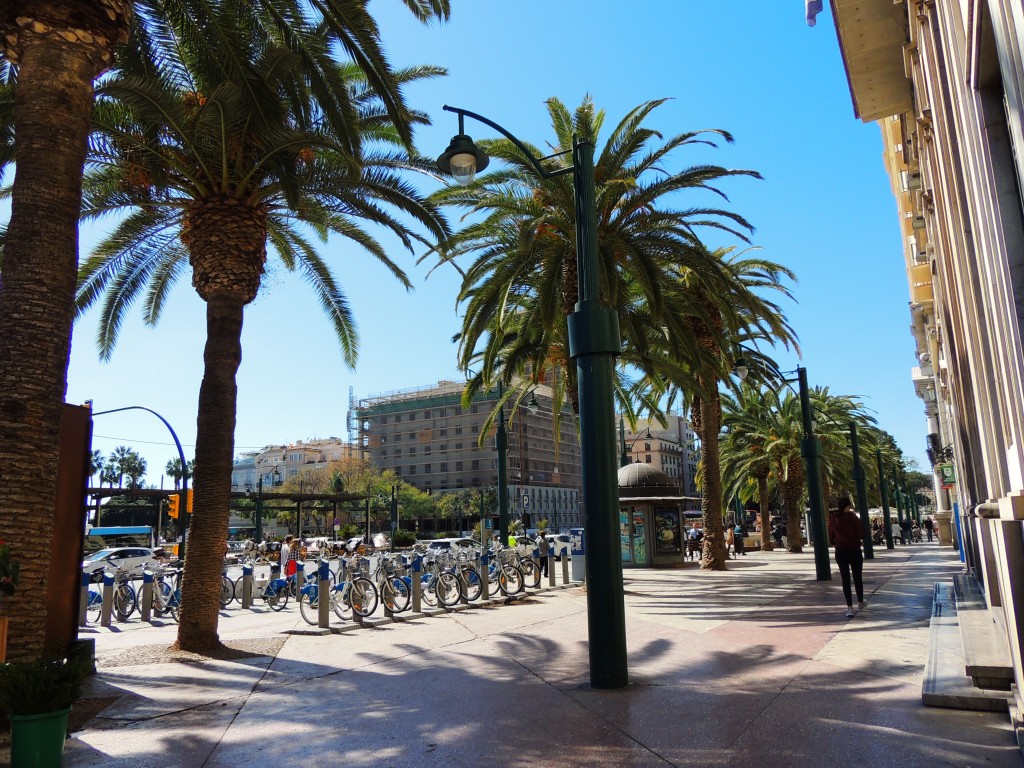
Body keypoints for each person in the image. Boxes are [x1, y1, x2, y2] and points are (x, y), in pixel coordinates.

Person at [828, 498, 866, 618]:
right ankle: (860, 602)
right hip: (854, 549)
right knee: (857, 576)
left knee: (845, 578)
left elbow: (830, 534)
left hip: (840, 551)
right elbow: (861, 533)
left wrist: (837, 543)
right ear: (847, 506)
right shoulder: (853, 517)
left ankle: (849, 607)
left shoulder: (834, 518)